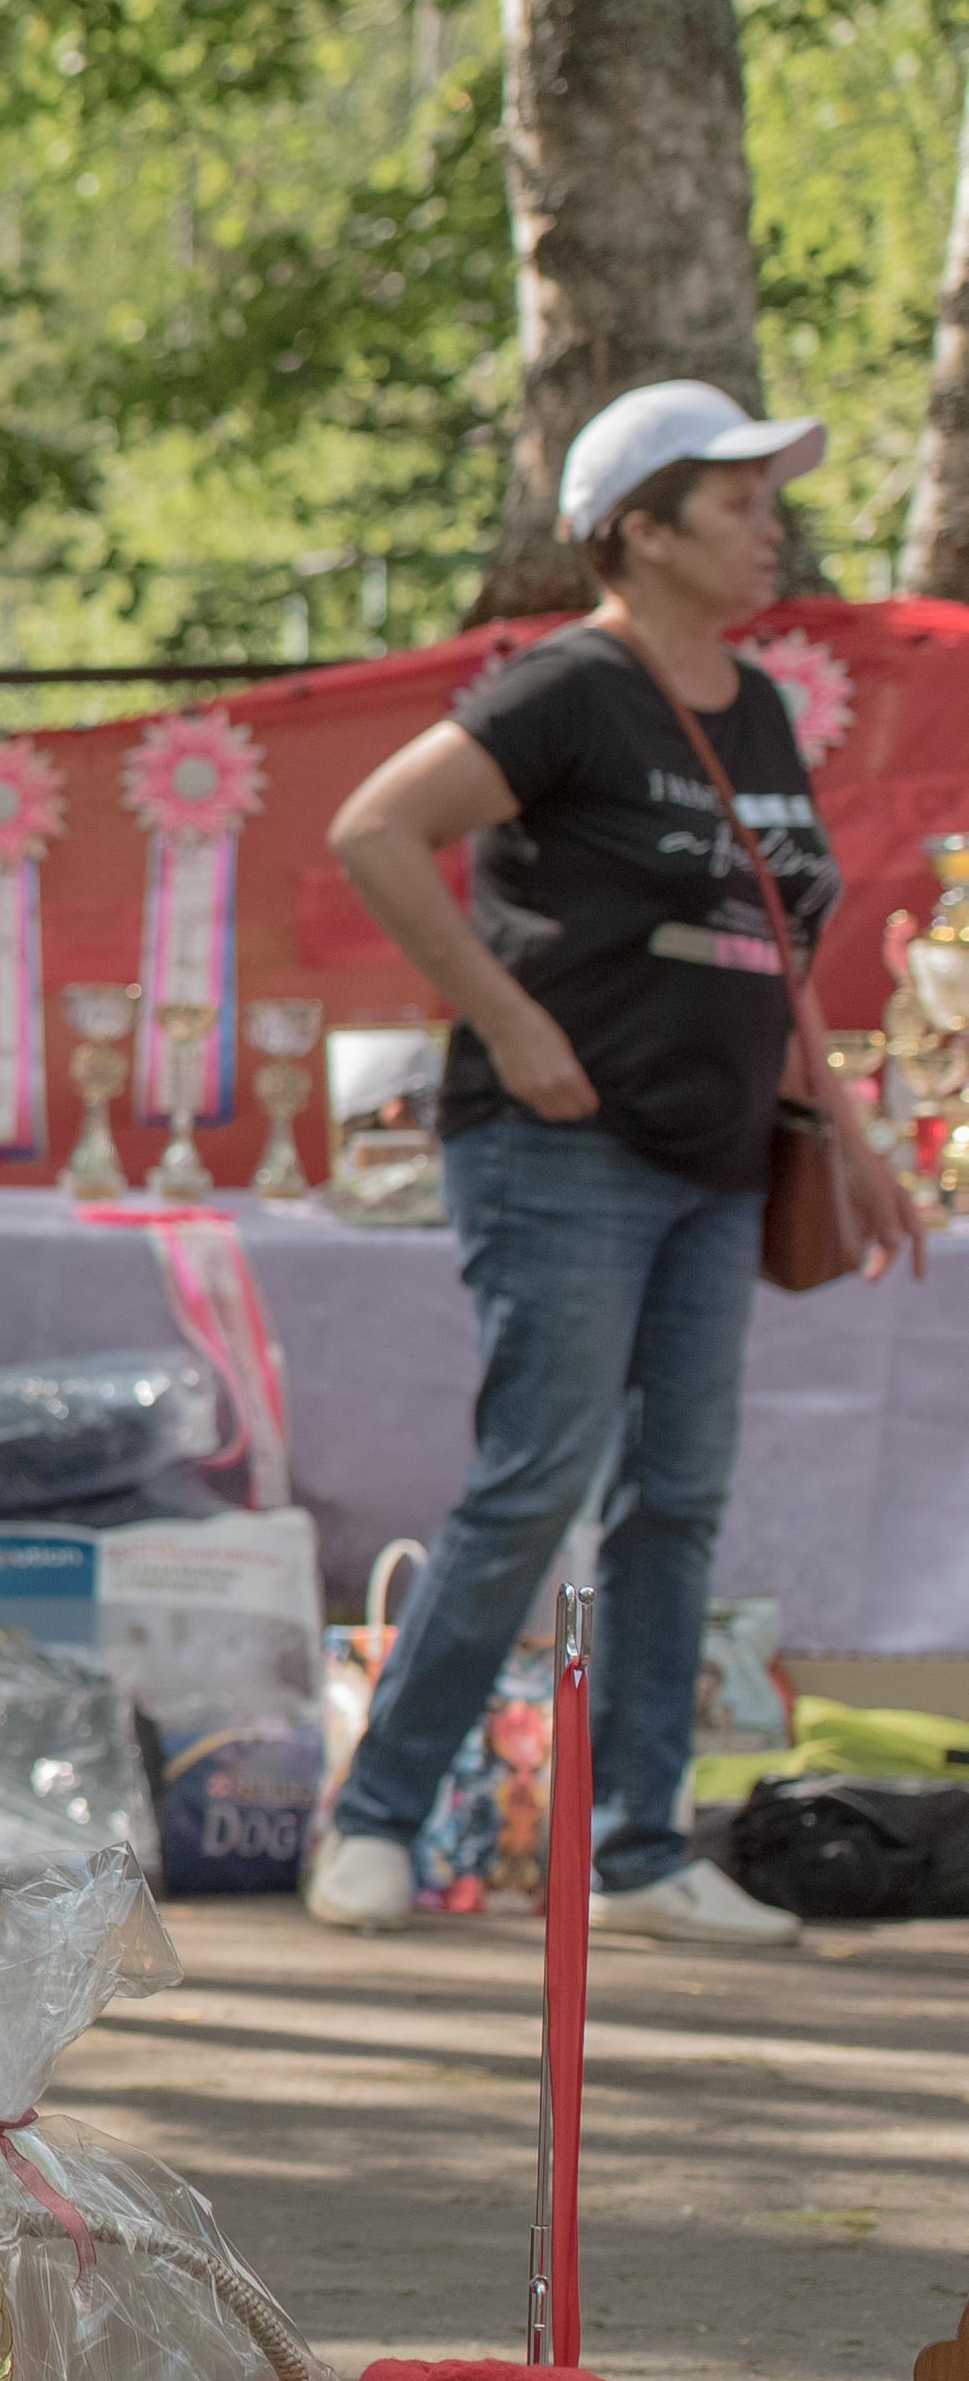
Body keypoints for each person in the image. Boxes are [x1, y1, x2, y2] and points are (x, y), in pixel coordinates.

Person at [304, 380, 877, 1949]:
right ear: (641, 527)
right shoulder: (568, 686)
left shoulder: (753, 704)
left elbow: (778, 940)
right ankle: (372, 1819)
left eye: (770, 497)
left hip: (717, 1160)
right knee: (532, 1481)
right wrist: (505, 1020)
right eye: (740, 499)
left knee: (677, 1497)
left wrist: (847, 1126)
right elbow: (371, 826)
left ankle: (636, 1848)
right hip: (562, 1148)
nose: (771, 525)